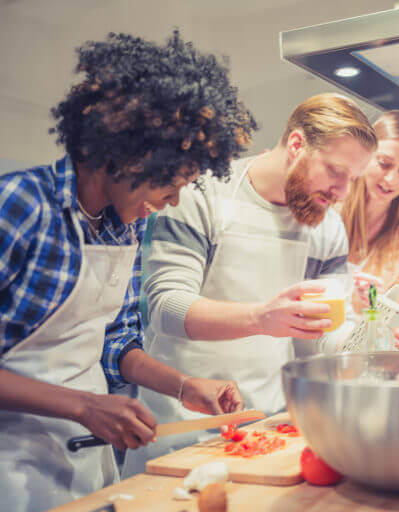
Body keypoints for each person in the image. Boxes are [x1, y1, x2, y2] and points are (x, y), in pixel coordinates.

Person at [0, 30, 254, 511]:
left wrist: (184, 387)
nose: (173, 202)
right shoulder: (20, 206)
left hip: (85, 458)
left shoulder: (125, 225)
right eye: (171, 182)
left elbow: (117, 342)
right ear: (127, 153)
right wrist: (84, 406)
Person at [123, 93, 399, 476]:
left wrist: (372, 338)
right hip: (179, 429)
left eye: (352, 179)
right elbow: (167, 307)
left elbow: (320, 335)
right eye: (335, 171)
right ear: (297, 145)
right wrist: (262, 318)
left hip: (267, 427)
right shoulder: (202, 194)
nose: (343, 192)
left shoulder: (326, 225)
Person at [339, 110, 399, 319]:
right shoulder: (329, 206)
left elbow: (397, 320)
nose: (391, 179)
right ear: (365, 154)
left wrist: (374, 306)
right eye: (384, 163)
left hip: (356, 349)